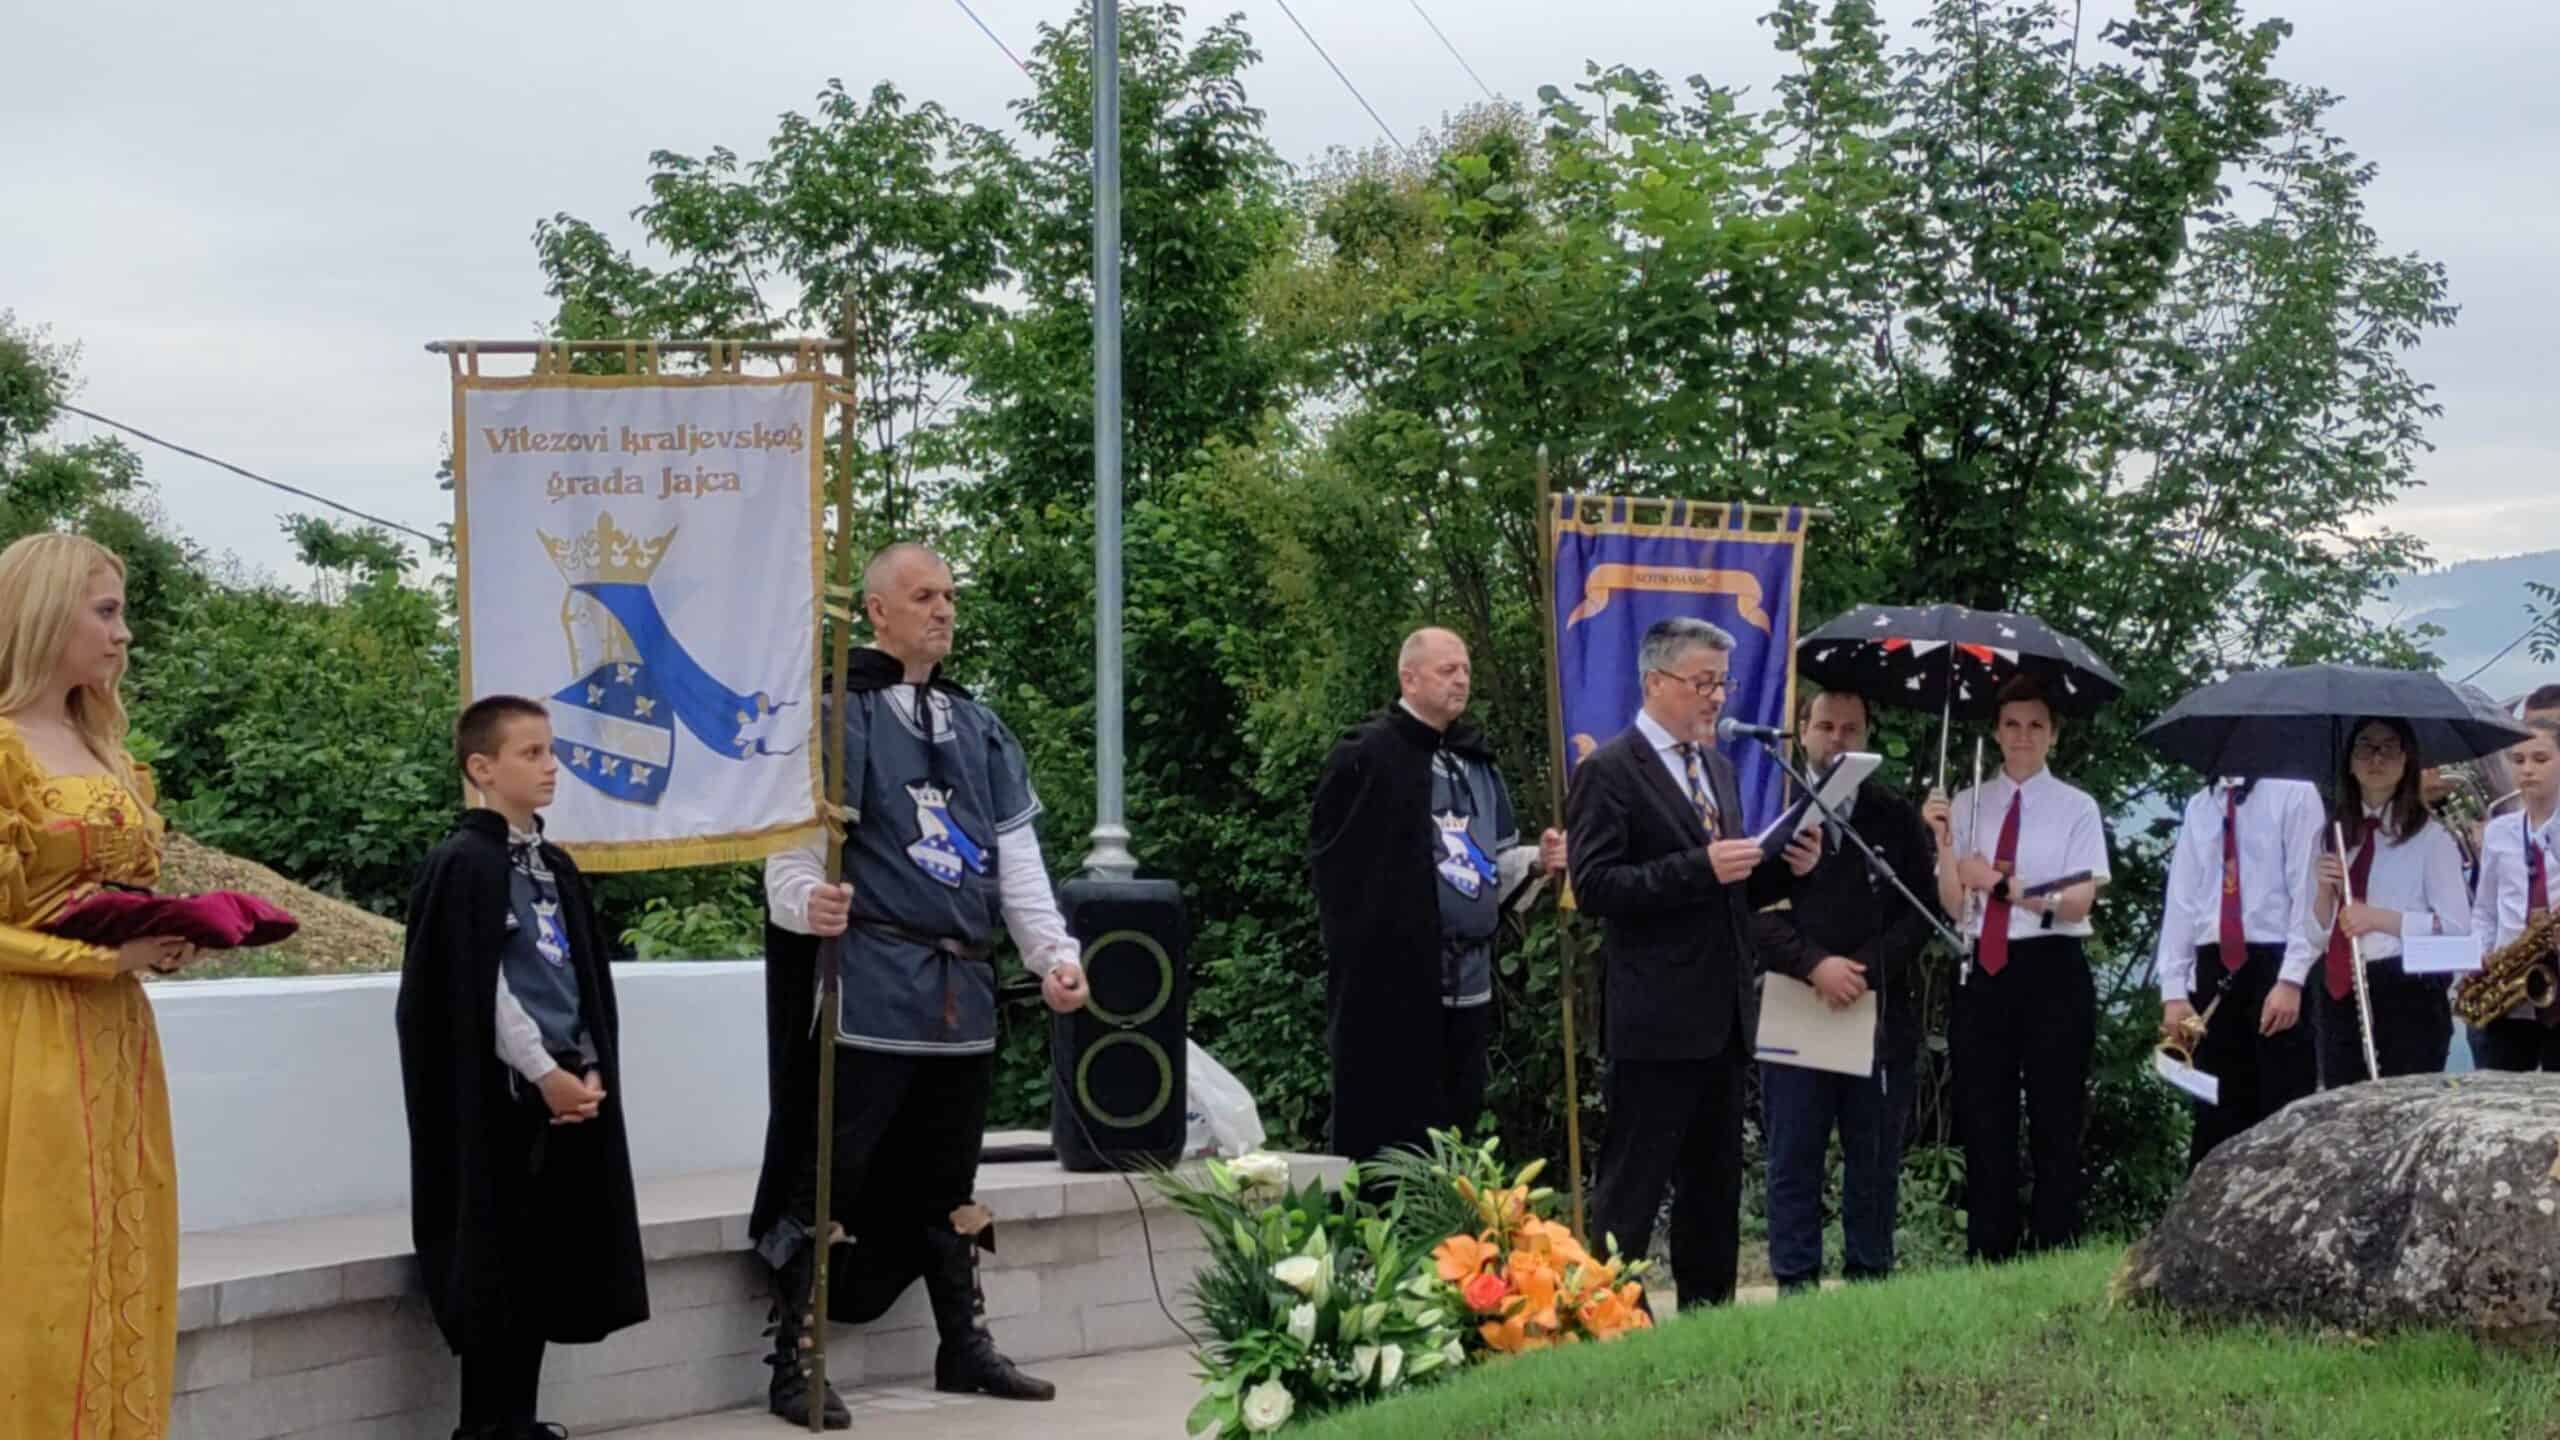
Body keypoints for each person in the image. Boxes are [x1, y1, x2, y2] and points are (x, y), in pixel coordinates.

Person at [753, 542, 1088, 1428]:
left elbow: (1016, 861)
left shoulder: (978, 727)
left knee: (950, 1173)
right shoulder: (834, 718)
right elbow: (788, 855)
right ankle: (796, 1361)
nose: (942, 610)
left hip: (961, 986)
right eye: (923, 596)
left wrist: (1052, 953)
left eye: (949, 595)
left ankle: (962, 1346)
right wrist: (806, 903)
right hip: (869, 983)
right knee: (831, 1174)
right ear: (876, 611)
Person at [397, 694, 649, 1440]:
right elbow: (484, 990)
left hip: (564, 1086)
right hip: (502, 1098)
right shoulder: (463, 864)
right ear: (482, 768)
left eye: (551, 751)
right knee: (496, 1262)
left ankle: (519, 1420)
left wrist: (588, 1066)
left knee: (541, 1261)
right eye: (530, 753)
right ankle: (484, 1427)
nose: (550, 767)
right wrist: (543, 1072)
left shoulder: (551, 865)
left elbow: (576, 976)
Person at [0, 534, 201, 1440]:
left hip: (116, 1034)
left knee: (124, 1242)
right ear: (46, 613)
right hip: (26, 1033)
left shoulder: (101, 748)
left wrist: (165, 938)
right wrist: (97, 961)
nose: (123, 634)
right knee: (45, 1257)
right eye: (106, 611)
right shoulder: (4, 750)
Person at [1567, 616, 1787, 1313]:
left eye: (1723, 683)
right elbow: (1596, 885)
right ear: (1656, 681)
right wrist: (1699, 866)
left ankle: (1708, 1321)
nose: (1716, 697)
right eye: (1702, 682)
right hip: (1655, 1019)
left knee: (1714, 1188)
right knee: (1633, 1186)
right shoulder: (1609, 770)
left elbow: (1727, 890)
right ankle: (1607, 1320)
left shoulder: (1716, 767)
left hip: (1723, 1016)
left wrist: (1784, 868)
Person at [1310, 626, 1565, 1164]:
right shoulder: (1368, 756)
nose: (1462, 680)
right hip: (1392, 988)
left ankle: (1448, 1220)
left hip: (1468, 982)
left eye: (1466, 669)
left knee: (1455, 1130)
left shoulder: (1476, 763)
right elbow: (1341, 877)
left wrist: (1538, 861)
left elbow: (1488, 866)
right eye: (1448, 670)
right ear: (1410, 679)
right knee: (1389, 1133)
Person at [1749, 688, 1939, 1293]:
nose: (1837, 739)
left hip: (1875, 1008)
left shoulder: (1893, 815)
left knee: (1874, 1159)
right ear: (1802, 731)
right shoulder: (1771, 805)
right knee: (1793, 1157)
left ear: (1866, 737)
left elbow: (1921, 912)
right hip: (1796, 1000)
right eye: (1826, 726)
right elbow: (1746, 910)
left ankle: (1869, 1281)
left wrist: (1857, 969)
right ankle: (1795, 1283)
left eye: (1850, 729)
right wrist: (1815, 965)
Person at [1923, 674, 2106, 1262]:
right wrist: (1944, 844)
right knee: (1984, 1117)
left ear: (2053, 735)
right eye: (2011, 725)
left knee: (2056, 1114)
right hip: (1985, 967)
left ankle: (2055, 1248)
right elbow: (1957, 905)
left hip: (2052, 966)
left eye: (2035, 725)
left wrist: (2003, 885)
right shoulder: (1969, 802)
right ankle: (1989, 1252)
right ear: (1997, 733)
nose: (2022, 736)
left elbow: (2078, 901)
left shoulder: (2077, 807)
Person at [2151, 768, 2324, 1166]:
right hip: (2214, 965)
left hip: (2275, 961)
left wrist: (2292, 978)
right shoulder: (2201, 805)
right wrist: (2173, 991)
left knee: (2281, 1107)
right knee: (2216, 1108)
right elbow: (2181, 900)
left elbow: (2307, 892)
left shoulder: (2295, 792)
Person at [2307, 717, 2469, 1086]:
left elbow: (2458, 933)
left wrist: (2380, 919)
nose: (2376, 758)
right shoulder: (2330, 836)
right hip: (2340, 990)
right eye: (2364, 747)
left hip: (2409, 992)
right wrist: (2324, 891)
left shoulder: (2431, 839)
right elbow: (2315, 935)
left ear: (2406, 759)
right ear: (2349, 762)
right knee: (2344, 1107)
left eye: (2389, 748)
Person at [2464, 717, 2560, 1073]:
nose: (2527, 769)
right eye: (2518, 760)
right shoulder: (2499, 832)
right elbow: (2485, 909)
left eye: (2540, 758)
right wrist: (2481, 953)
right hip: (2511, 988)